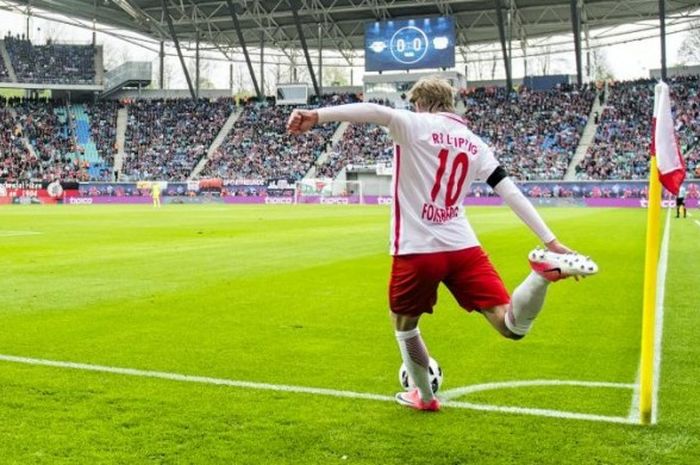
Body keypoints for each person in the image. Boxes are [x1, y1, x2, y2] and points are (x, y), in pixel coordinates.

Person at [286, 77, 598, 412]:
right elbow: (509, 191)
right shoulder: (474, 143)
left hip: (417, 248)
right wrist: (550, 240)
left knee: (404, 325)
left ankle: (424, 397)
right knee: (510, 325)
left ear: (420, 103)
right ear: (450, 103)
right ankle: (540, 275)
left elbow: (375, 111)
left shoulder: (414, 123)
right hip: (463, 247)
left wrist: (317, 115)